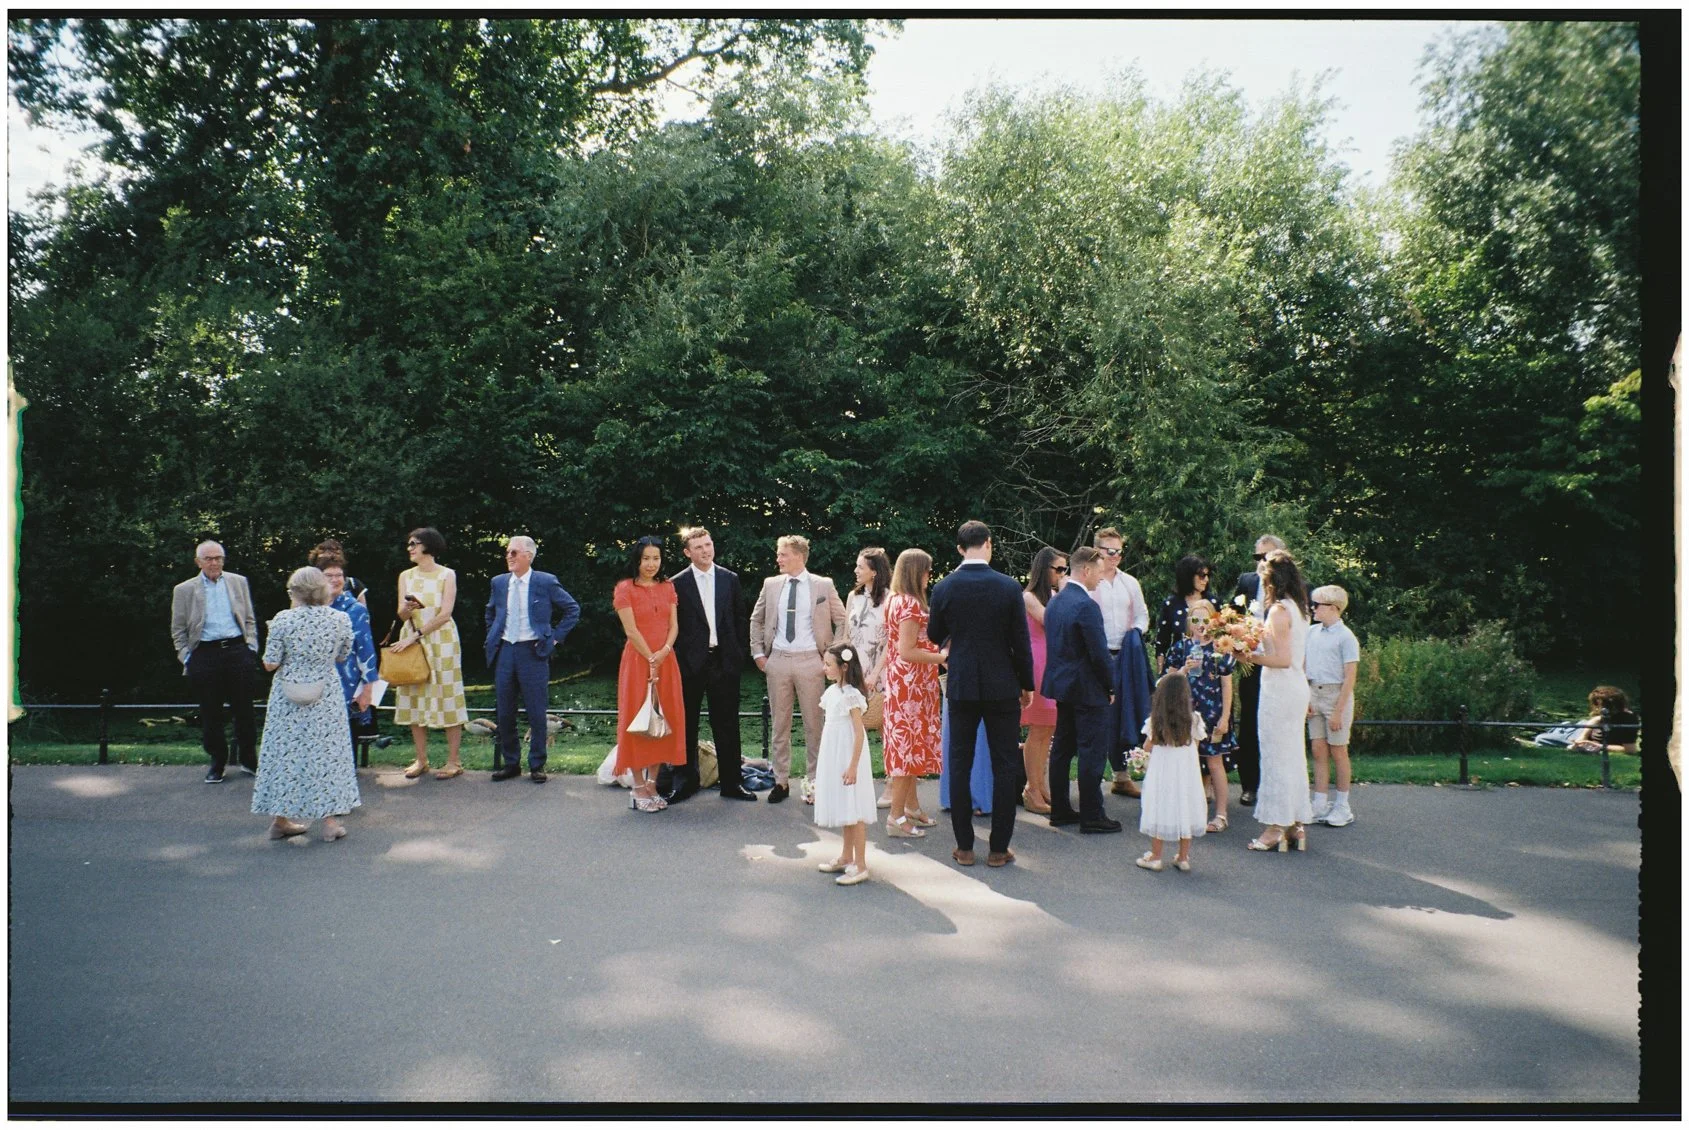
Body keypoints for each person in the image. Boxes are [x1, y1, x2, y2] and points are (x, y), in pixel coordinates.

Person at [926, 520, 1035, 868]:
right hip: (1003, 683)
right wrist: (1027, 684)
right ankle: (999, 848)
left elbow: (933, 633)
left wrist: (952, 640)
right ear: (988, 544)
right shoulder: (1007, 587)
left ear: (960, 548)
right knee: (1004, 764)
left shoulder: (945, 587)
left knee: (960, 763)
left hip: (961, 684)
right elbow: (1021, 641)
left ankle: (965, 847)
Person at [251, 567, 360, 842]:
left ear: (295, 591)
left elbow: (270, 663)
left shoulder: (282, 620)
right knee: (327, 755)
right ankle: (330, 823)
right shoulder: (340, 618)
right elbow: (342, 655)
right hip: (326, 694)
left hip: (287, 696)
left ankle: (280, 820)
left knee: (284, 754)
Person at [749, 535, 847, 803]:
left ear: (799, 556)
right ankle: (780, 781)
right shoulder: (771, 584)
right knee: (779, 724)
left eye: (782, 554)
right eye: (778, 554)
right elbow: (756, 619)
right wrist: (759, 654)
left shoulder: (822, 585)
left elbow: (842, 621)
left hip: (811, 662)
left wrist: (830, 656)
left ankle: (814, 783)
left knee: (815, 724)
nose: (778, 559)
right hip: (777, 660)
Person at [661, 527, 755, 802]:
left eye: (708, 544)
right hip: (689, 664)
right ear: (687, 552)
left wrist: (737, 656)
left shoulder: (730, 579)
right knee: (684, 725)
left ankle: (732, 783)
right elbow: (671, 626)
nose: (705, 550)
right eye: (698, 547)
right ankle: (685, 782)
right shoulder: (676, 584)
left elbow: (740, 618)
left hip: (724, 661)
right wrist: (680, 658)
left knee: (727, 724)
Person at [485, 535, 581, 784]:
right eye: (507, 552)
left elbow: (572, 609)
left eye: (514, 552)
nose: (509, 556)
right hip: (506, 650)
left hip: (533, 652)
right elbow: (491, 612)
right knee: (504, 711)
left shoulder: (545, 582)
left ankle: (537, 764)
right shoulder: (499, 582)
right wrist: (493, 635)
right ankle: (511, 763)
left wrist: (554, 639)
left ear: (529, 556)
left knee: (536, 712)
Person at [1041, 547, 1119, 833]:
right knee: (1091, 751)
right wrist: (1109, 685)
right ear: (1086, 570)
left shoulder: (1056, 602)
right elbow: (1099, 654)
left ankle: (1060, 810)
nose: (1100, 577)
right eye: (1099, 571)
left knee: (1062, 748)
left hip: (1063, 686)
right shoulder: (1086, 606)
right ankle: (1092, 816)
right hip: (1087, 689)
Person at [170, 540, 260, 783]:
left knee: (245, 710)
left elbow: (249, 618)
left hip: (237, 650)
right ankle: (217, 762)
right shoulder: (184, 590)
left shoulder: (238, 582)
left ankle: (249, 759)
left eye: (218, 557)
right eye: (209, 558)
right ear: (198, 562)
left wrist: (251, 647)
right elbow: (178, 629)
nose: (214, 563)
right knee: (210, 712)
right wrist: (187, 656)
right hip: (205, 654)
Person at [389, 527, 470, 779]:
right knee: (414, 695)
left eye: (414, 543)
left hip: (441, 640)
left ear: (428, 546)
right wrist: (407, 608)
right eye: (409, 544)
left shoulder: (447, 575)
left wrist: (417, 634)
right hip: (412, 638)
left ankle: (453, 761)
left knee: (448, 694)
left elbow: (445, 614)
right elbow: (401, 614)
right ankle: (421, 759)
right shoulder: (405, 576)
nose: (410, 548)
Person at [614, 537, 687, 812]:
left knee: (661, 721)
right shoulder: (625, 588)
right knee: (637, 720)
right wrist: (650, 657)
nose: (651, 564)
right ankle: (636, 786)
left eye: (656, 558)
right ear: (637, 559)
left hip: (666, 662)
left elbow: (674, 625)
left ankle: (653, 784)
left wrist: (664, 651)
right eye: (646, 558)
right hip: (638, 662)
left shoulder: (668, 587)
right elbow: (631, 631)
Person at [1247, 549, 1313, 853]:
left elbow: (1281, 659)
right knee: (1293, 755)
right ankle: (1296, 825)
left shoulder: (1278, 612)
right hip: (1296, 686)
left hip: (1281, 689)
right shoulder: (1300, 610)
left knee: (1275, 756)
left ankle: (1275, 827)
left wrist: (1247, 656)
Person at [880, 549, 945, 838]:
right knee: (906, 750)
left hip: (905, 682)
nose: (929, 577)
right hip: (911, 685)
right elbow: (907, 650)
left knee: (911, 746)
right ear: (916, 572)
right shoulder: (908, 604)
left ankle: (912, 807)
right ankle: (895, 817)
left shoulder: (894, 600)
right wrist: (942, 657)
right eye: (927, 571)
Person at [1087, 527, 1153, 800]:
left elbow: (1142, 615)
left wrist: (1134, 635)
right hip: (1095, 657)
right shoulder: (1090, 581)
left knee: (1123, 715)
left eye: (1119, 552)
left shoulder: (1130, 583)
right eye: (1109, 551)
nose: (1114, 556)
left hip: (1124, 657)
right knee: (1096, 716)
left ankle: (1121, 776)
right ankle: (1090, 780)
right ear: (1097, 551)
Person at [1165, 600, 1237, 833]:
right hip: (1185, 713)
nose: (1200, 625)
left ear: (1213, 621)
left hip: (1212, 713)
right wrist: (1185, 669)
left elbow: (1227, 686)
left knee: (1214, 763)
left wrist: (1225, 717)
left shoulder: (1220, 649)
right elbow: (1168, 681)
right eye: (1195, 620)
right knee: (1187, 762)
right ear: (1189, 622)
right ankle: (1187, 811)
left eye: (1205, 620)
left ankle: (1221, 814)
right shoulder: (1181, 647)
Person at [812, 643, 876, 886]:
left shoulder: (851, 695)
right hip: (834, 753)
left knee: (854, 808)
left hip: (848, 754)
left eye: (828, 664)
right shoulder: (832, 692)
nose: (824, 668)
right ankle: (846, 855)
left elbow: (859, 734)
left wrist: (853, 766)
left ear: (844, 667)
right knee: (845, 807)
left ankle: (860, 864)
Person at [1134, 671, 1208, 872]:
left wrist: (1139, 758)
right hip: (1186, 775)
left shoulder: (1156, 721)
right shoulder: (1194, 720)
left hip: (1162, 774)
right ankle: (1183, 857)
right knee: (1185, 808)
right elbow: (1198, 744)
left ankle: (1156, 856)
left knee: (1161, 808)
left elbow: (1148, 746)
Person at [1231, 534, 1285, 805]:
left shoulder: (1293, 587)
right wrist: (1238, 640)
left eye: (1267, 556)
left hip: (1282, 666)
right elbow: (1231, 616)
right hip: (1252, 663)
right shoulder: (1247, 582)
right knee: (1250, 724)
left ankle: (1275, 784)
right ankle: (1249, 785)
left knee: (1278, 726)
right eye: (1257, 556)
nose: (1261, 562)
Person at [314, 551, 380, 764]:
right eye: (329, 575)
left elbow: (367, 652)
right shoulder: (310, 608)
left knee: (344, 742)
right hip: (315, 682)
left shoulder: (355, 610)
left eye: (339, 575)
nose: (335, 579)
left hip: (347, 682)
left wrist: (368, 689)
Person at [1306, 584, 1360, 827]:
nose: (1313, 608)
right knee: (1318, 750)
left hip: (1337, 696)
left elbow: (1350, 676)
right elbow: (1306, 666)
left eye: (1318, 605)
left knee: (1338, 751)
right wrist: (1307, 698)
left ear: (1334, 608)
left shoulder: (1346, 637)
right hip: (1314, 693)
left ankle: (1342, 805)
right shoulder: (1311, 632)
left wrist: (1338, 710)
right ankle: (1319, 802)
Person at [1019, 546, 1067, 814]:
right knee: (1037, 731)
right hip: (1038, 664)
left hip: (1055, 664)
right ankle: (1031, 789)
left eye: (1064, 569)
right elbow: (1051, 620)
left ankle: (1040, 784)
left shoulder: (1055, 595)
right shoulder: (1029, 597)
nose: (1062, 574)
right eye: (1058, 569)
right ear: (1043, 569)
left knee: (1048, 731)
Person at [845, 548, 893, 808]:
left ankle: (891, 785)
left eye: (860, 567)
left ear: (874, 571)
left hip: (881, 673)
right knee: (852, 729)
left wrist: (875, 674)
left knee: (887, 730)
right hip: (854, 671)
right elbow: (846, 635)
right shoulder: (853, 597)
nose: (856, 571)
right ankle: (855, 780)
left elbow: (892, 641)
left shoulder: (890, 599)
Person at [1154, 554, 1217, 673]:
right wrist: (1160, 674)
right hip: (1177, 665)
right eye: (1202, 575)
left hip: (1208, 668)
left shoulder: (1214, 603)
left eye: (1208, 575)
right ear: (1188, 576)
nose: (1206, 580)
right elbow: (1162, 641)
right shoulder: (1171, 603)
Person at [310, 539, 368, 606]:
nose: (331, 556)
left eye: (338, 575)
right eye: (329, 575)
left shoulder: (353, 584)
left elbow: (363, 612)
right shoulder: (309, 587)